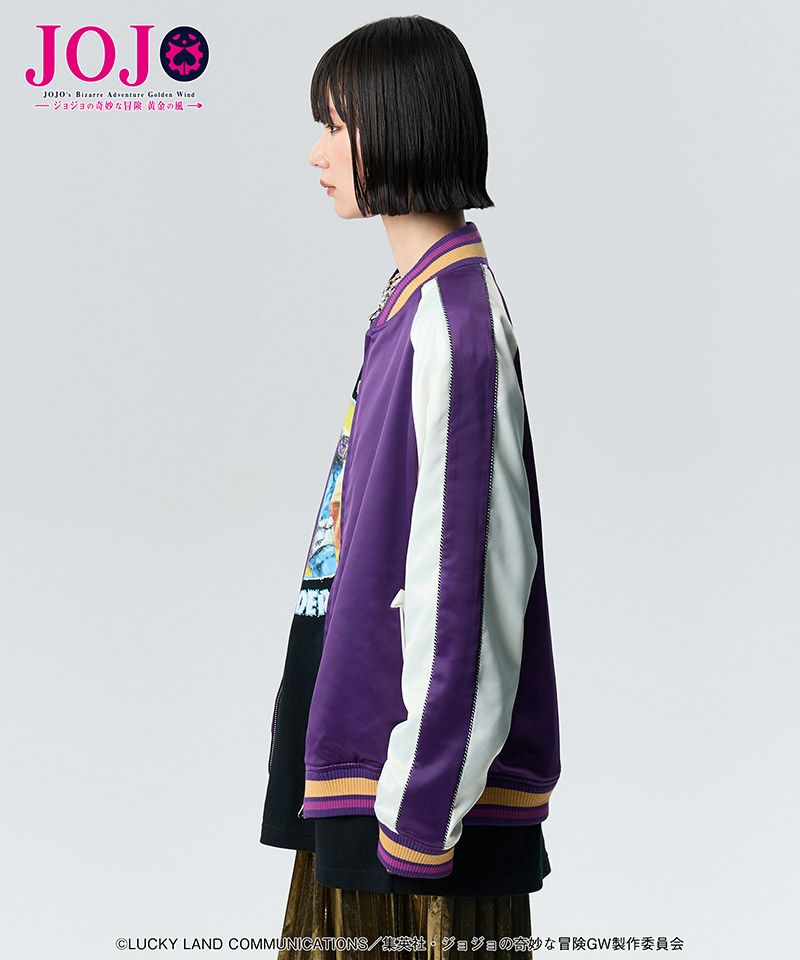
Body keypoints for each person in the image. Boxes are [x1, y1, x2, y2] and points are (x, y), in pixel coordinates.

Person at [259, 15, 561, 959]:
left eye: (335, 125)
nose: (316, 153)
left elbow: (470, 584)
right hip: (371, 759)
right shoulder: (417, 305)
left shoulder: (453, 328)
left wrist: (422, 809)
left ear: (399, 125)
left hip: (412, 804)